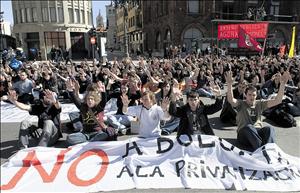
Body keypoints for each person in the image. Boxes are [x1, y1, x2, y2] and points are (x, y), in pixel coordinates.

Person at [225, 70, 290, 151]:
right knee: (249, 127)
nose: (252, 97)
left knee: (270, 129)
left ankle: (271, 151)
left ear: (256, 96)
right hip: (244, 134)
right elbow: (231, 100)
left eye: (254, 95)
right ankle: (262, 151)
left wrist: (282, 85)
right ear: (245, 95)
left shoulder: (260, 104)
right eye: (249, 95)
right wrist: (229, 84)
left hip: (257, 132)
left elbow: (278, 100)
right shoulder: (241, 103)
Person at [66, 79, 114, 145]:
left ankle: (88, 143)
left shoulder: (98, 107)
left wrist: (103, 92)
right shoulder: (83, 107)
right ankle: (90, 143)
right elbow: (75, 100)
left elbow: (103, 102)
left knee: (104, 135)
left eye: (92, 99)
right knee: (69, 138)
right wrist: (70, 90)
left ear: (96, 100)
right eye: (88, 99)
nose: (90, 100)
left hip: (97, 133)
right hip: (85, 134)